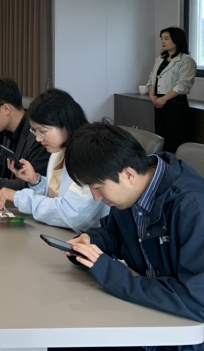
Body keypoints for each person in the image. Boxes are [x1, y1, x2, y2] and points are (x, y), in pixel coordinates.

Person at [65, 122, 204, 327]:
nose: (95, 197)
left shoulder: (193, 208)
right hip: (145, 315)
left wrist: (113, 276)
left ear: (128, 175)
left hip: (182, 330)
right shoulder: (133, 192)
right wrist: (91, 241)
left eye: (98, 187)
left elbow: (197, 299)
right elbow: (116, 233)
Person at [0, 89, 109, 232]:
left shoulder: (88, 157)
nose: (38, 138)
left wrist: (18, 197)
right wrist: (36, 180)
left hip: (87, 237)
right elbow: (57, 196)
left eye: (43, 131)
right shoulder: (58, 152)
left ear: (65, 124)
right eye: (35, 131)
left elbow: (74, 214)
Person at [146, 26, 197, 153]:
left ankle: (177, 163)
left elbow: (183, 85)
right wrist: (152, 95)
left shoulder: (186, 60)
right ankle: (163, 162)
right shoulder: (160, 59)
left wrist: (164, 99)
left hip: (175, 103)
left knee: (176, 139)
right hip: (158, 102)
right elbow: (151, 79)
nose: (163, 41)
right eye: (162, 39)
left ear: (177, 39)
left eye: (167, 38)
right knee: (161, 137)